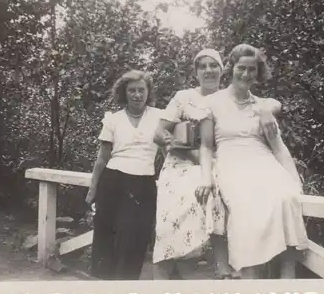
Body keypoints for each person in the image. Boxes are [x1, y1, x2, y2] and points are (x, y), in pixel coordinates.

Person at [197, 44, 308, 279]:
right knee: (246, 206)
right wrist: (206, 177)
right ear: (231, 68)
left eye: (252, 70)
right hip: (231, 164)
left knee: (287, 197)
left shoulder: (262, 106)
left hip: (264, 162)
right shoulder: (212, 102)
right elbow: (206, 146)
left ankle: (287, 281)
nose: (246, 75)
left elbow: (278, 147)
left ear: (258, 73)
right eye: (241, 68)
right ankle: (250, 279)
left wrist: (295, 181)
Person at [151, 49, 236, 280]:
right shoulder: (183, 97)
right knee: (173, 217)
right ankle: (164, 277)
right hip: (180, 163)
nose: (208, 70)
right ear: (196, 72)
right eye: (202, 66)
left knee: (217, 191)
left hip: (215, 163)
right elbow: (159, 132)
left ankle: (222, 266)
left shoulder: (229, 99)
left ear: (222, 70)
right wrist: (171, 141)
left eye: (213, 65)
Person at [85, 70, 162, 280]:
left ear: (148, 92)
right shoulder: (113, 120)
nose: (137, 95)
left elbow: (171, 149)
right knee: (106, 240)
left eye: (141, 90)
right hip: (113, 181)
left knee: (135, 240)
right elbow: (102, 158)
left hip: (143, 183)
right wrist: (93, 188)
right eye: (132, 90)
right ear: (124, 93)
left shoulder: (159, 117)